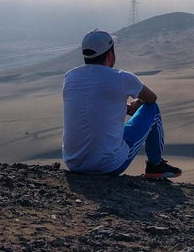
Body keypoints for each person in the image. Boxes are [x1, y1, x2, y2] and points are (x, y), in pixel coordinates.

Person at [62, 28, 182, 178]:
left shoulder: (70, 77)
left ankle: (155, 165)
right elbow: (151, 98)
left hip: (73, 162)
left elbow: (91, 105)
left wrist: (122, 107)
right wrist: (137, 103)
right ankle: (155, 165)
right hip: (108, 165)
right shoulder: (122, 78)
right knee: (153, 110)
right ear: (110, 54)